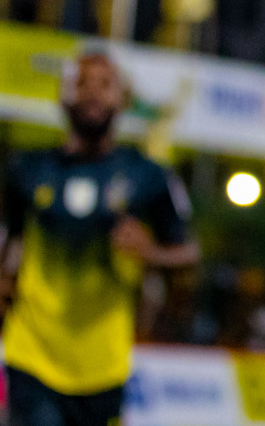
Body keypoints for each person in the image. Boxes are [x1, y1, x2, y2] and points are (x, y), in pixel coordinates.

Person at [1, 51, 198, 426]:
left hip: (104, 365)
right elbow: (9, 242)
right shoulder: (26, 170)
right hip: (31, 354)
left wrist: (149, 252)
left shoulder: (149, 176)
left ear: (122, 99)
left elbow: (188, 253)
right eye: (82, 83)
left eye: (104, 84)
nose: (92, 92)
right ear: (63, 96)